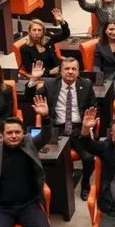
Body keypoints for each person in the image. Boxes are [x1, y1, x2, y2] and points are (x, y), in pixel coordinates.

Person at [24, 57, 96, 200]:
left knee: (89, 158)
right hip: (55, 128)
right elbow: (31, 98)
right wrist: (33, 81)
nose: (70, 71)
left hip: (78, 128)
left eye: (73, 69)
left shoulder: (86, 85)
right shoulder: (50, 84)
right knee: (45, 156)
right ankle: (48, 187)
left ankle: (85, 184)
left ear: (78, 71)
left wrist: (90, 128)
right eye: (67, 69)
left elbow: (93, 107)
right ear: (61, 71)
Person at [19, 9, 69, 77]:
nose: (37, 33)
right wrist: (49, 72)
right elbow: (29, 68)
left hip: (59, 70)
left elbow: (65, 35)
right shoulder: (25, 48)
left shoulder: (48, 39)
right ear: (29, 32)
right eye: (34, 30)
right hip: (43, 75)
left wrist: (62, 22)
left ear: (43, 32)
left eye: (39, 30)